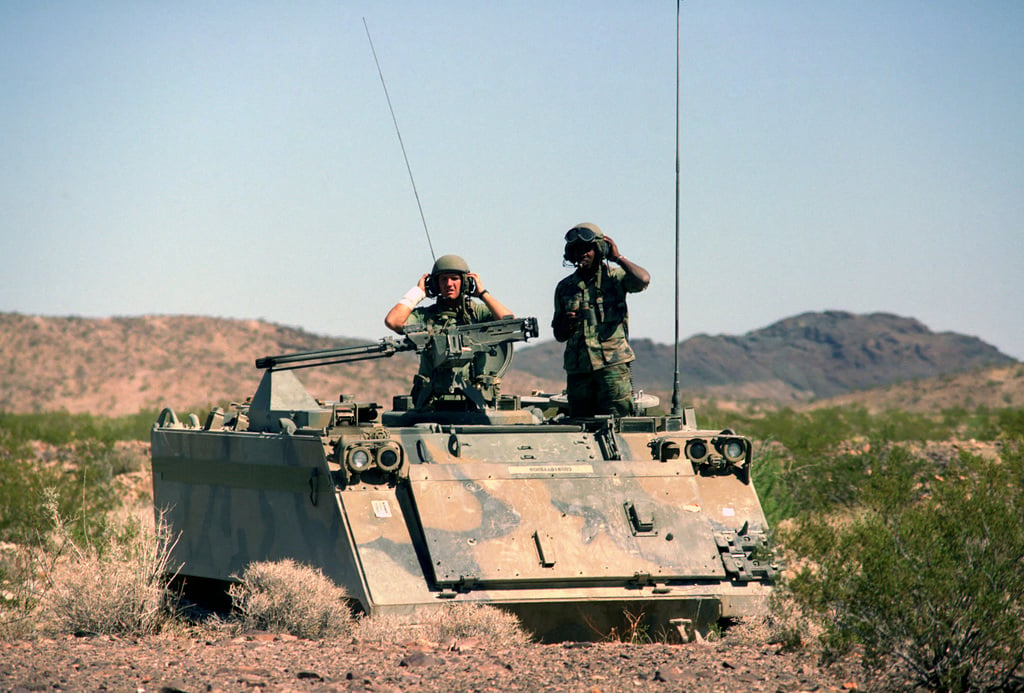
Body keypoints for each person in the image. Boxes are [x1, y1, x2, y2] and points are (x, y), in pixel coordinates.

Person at [385, 254, 513, 408]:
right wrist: (417, 293)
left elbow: (508, 322)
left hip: (474, 401)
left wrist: (483, 294)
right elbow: (393, 321)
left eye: (454, 279)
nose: (449, 284)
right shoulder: (425, 316)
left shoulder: (477, 314)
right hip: (431, 403)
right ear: (435, 284)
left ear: (465, 282)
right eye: (443, 279)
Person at [552, 223, 650, 417]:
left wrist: (618, 258)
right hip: (579, 370)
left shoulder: (615, 278)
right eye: (577, 250)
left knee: (619, 423)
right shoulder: (565, 287)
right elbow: (559, 335)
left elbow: (643, 280)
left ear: (599, 250)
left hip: (612, 367)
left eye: (587, 249)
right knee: (580, 424)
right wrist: (566, 323)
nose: (582, 254)